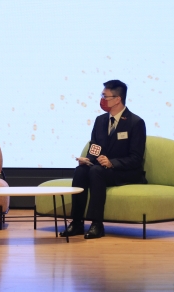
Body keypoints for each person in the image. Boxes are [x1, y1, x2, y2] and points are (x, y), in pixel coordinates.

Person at [61, 79, 147, 239]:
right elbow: (95, 146)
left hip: (125, 171)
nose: (102, 100)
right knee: (81, 171)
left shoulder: (135, 123)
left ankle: (97, 224)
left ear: (117, 99)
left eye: (105, 96)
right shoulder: (100, 120)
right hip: (101, 168)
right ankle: (77, 222)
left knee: (96, 171)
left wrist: (112, 163)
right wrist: (87, 159)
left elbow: (136, 158)